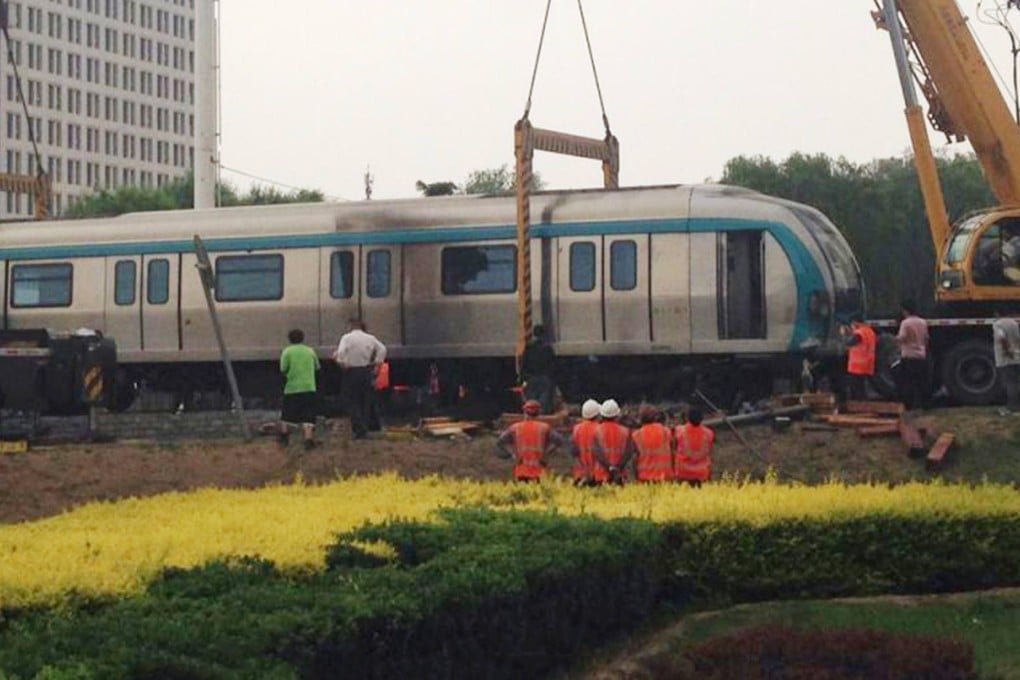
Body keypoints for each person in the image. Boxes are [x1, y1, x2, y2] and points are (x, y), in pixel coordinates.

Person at [333, 319, 387, 439]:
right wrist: (378, 365)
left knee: (351, 401)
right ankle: (365, 427)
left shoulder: (346, 338)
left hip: (351, 371)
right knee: (365, 400)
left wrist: (340, 362)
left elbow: (341, 353)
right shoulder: (371, 338)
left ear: (351, 326)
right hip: (366, 370)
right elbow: (382, 349)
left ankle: (358, 429)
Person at [496, 399, 564, 481]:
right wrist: (547, 453)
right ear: (539, 413)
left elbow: (500, 442)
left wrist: (513, 454)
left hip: (521, 469)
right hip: (539, 469)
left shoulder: (515, 427)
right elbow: (559, 441)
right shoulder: (544, 427)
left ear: (524, 412)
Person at [279, 329, 321, 450]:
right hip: (309, 387)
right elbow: (317, 367)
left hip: (292, 387)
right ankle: (308, 439)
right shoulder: (310, 351)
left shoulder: (287, 351)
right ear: (303, 338)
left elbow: (283, 368)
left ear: (289, 339)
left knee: (287, 413)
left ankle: (284, 436)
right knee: (308, 414)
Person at [894, 299, 929, 412]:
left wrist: (895, 340)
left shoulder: (906, 323)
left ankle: (909, 405)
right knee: (920, 382)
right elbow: (926, 338)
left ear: (905, 310)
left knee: (908, 382)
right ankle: (920, 405)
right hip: (921, 355)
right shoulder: (923, 322)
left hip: (909, 356)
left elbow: (902, 338)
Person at [593, 399, 634, 484]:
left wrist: (609, 468)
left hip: (601, 475)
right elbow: (628, 452)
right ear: (617, 415)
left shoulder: (596, 430)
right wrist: (618, 468)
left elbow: (597, 452)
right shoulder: (626, 431)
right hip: (620, 475)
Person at [631, 405, 674, 482]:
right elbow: (673, 452)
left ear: (640, 418)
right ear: (655, 417)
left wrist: (636, 476)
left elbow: (634, 459)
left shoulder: (636, 435)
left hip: (644, 477)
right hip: (665, 476)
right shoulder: (665, 431)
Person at [674, 407, 714, 487]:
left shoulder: (679, 430)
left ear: (687, 418)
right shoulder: (709, 433)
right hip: (702, 473)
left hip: (683, 472)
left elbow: (675, 445)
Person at [521, 325, 556, 414]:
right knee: (543, 402)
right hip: (544, 378)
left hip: (531, 378)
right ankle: (542, 415)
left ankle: (531, 415)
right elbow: (552, 365)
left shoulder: (529, 347)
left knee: (532, 400)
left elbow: (524, 363)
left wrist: (524, 377)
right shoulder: (547, 348)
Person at [842, 315, 877, 402]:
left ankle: (859, 406)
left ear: (855, 322)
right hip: (867, 363)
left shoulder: (859, 332)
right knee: (862, 387)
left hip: (857, 366)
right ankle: (863, 405)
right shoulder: (870, 331)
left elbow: (849, 342)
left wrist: (844, 334)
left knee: (857, 388)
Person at [993, 307, 1020, 415]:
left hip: (1005, 358)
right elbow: (1018, 338)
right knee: (1016, 382)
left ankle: (1012, 407)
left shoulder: (998, 324)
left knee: (1010, 383)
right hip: (1017, 356)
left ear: (997, 313)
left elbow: (1001, 337)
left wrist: (1007, 351)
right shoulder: (1014, 323)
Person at [570, 399, 603, 486]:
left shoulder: (576, 429)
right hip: (597, 474)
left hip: (580, 473)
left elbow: (573, 452)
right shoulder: (600, 428)